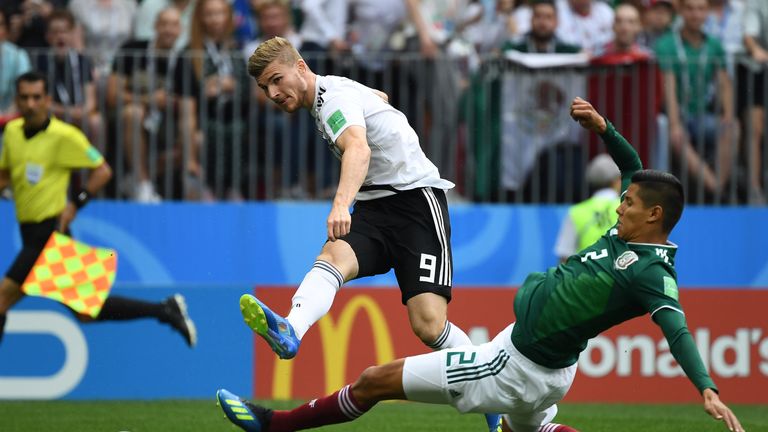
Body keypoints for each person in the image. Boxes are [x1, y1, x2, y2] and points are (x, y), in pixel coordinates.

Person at [216, 97, 746, 432]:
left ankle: (275, 425)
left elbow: (675, 328)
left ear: (653, 215)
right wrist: (605, 127)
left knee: (376, 379)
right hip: (545, 365)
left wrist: (706, 387)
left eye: (628, 202)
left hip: (513, 366)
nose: (618, 204)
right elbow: (635, 168)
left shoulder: (653, 271)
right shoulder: (635, 228)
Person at [240, 36, 505, 429]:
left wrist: (339, 204)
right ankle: (289, 329)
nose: (273, 93)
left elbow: (358, 149)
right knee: (332, 256)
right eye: (265, 88)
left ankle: (494, 399)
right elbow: (370, 100)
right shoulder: (333, 93)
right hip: (377, 209)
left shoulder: (331, 100)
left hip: (417, 204)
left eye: (277, 80)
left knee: (429, 326)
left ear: (300, 68)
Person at [0, 71, 197, 348]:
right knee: (86, 313)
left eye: (37, 97)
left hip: (48, 234)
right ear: (17, 100)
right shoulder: (11, 133)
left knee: (1, 301)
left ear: (47, 99)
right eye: (24, 98)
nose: (31, 104)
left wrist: (76, 203)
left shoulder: (64, 135)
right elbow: (6, 176)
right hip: (31, 234)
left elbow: (102, 171)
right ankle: (164, 310)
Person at [108, 7, 201, 202]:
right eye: (164, 24)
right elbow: (112, 94)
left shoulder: (183, 62)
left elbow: (188, 114)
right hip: (127, 120)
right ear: (155, 26)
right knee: (133, 113)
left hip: (164, 126)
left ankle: (134, 177)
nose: (168, 29)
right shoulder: (132, 49)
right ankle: (143, 184)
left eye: (174, 25)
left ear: (181, 30)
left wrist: (190, 159)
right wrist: (148, 100)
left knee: (197, 140)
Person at [655, 0, 736, 202]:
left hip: (702, 116)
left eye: (700, 9)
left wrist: (728, 114)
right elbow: (669, 86)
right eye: (690, 9)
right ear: (681, 11)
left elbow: (725, 83)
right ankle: (716, 189)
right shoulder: (666, 44)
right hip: (674, 116)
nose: (695, 14)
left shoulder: (714, 44)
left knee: (732, 128)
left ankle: (718, 185)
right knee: (677, 136)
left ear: (707, 12)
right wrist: (674, 124)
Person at [554, 154, 620, 263]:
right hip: (619, 275)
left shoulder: (576, 212)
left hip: (585, 275)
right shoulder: (626, 207)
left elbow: (564, 256)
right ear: (616, 181)